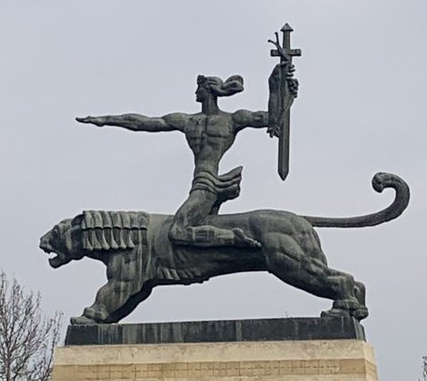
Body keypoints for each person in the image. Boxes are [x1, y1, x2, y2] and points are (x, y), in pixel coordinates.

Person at [76, 62, 297, 249]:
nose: (195, 93)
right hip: (201, 182)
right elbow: (142, 122)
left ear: (207, 91)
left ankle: (233, 238)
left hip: (206, 183)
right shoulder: (187, 121)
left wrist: (276, 84)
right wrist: (105, 119)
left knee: (178, 231)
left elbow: (271, 117)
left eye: (198, 89)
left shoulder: (232, 119)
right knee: (194, 226)